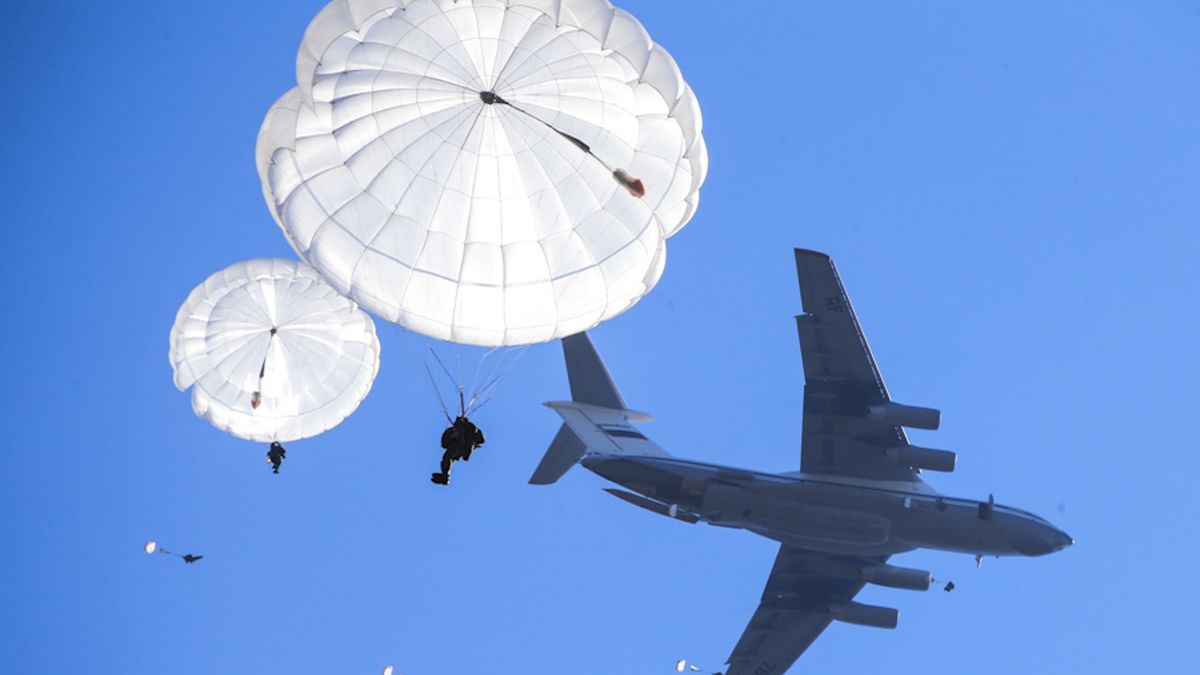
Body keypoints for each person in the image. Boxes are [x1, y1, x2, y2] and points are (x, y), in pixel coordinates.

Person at [431, 416, 485, 485]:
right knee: (446, 459)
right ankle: (445, 476)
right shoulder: (452, 430)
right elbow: (443, 443)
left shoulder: (470, 430)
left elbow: (480, 438)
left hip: (462, 446)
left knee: (448, 458)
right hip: (457, 446)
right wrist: (453, 435)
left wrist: (465, 425)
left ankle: (445, 477)